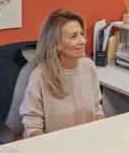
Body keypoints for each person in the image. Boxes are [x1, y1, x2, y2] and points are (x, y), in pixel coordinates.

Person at [20, 9, 104, 138]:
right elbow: (32, 126)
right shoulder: (39, 76)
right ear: (56, 45)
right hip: (52, 145)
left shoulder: (89, 66)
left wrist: (99, 133)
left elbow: (97, 107)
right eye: (73, 36)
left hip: (87, 140)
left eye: (81, 34)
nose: (82, 40)